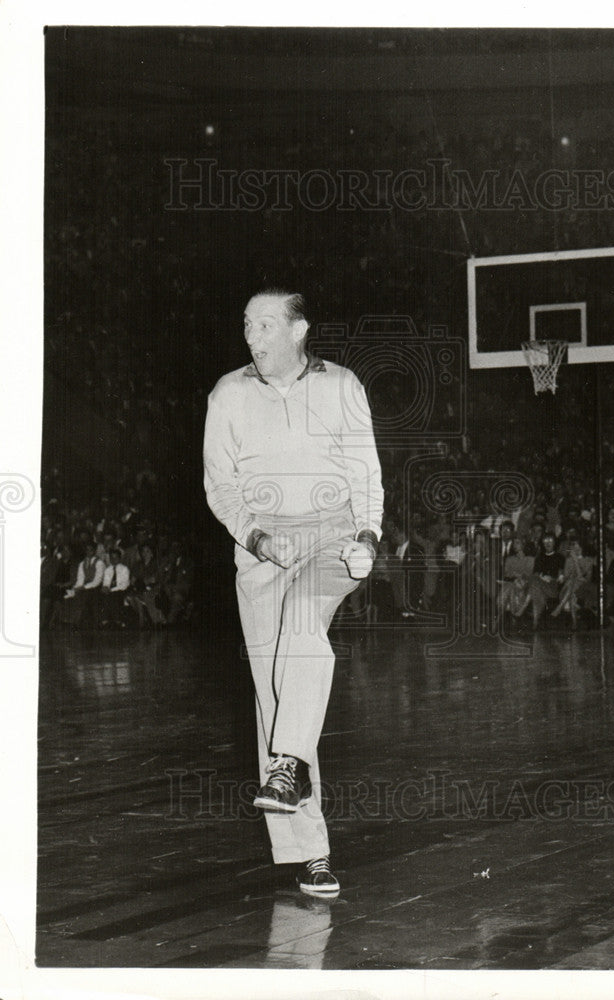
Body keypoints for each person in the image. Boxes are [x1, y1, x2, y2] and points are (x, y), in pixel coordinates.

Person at [203, 288, 383, 897]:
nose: (251, 335)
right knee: (275, 700)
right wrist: (255, 538)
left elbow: (366, 471)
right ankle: (311, 852)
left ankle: (286, 767)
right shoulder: (227, 395)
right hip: (261, 556)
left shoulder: (341, 385)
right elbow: (220, 486)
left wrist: (368, 535)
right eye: (247, 323)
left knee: (304, 626)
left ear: (298, 329)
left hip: (329, 541)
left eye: (265, 324)